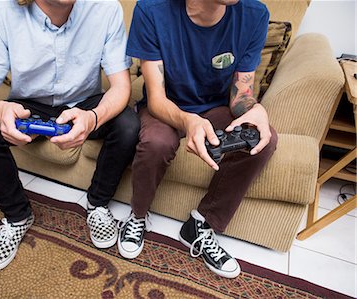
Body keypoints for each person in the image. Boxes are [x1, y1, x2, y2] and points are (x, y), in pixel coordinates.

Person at [0, 0, 140, 271]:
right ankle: (17, 216)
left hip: (84, 102)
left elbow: (121, 87)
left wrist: (92, 118)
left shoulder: (106, 8)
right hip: (28, 105)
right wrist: (0, 111)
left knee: (128, 124)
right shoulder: (1, 11)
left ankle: (97, 204)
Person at [117, 0, 278, 279]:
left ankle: (200, 225)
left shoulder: (255, 14)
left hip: (215, 107)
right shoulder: (151, 10)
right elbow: (156, 99)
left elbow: (241, 95)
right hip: (166, 106)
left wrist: (255, 109)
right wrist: (189, 121)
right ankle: (138, 216)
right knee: (157, 142)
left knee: (263, 138)